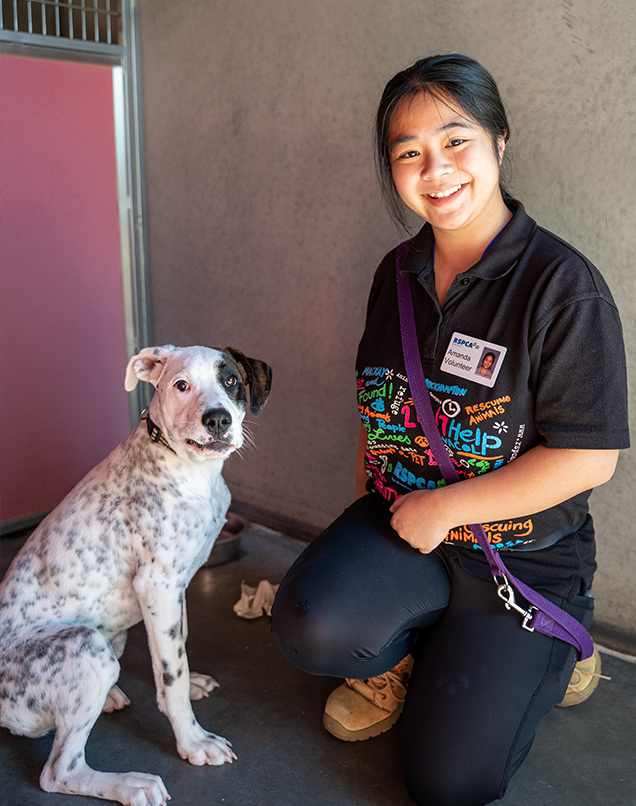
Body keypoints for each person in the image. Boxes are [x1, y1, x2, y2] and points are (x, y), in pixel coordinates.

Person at [270, 54, 629, 805]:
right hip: (409, 531)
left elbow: (589, 459)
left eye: (456, 140)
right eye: (409, 153)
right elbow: (385, 413)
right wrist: (369, 539)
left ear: (500, 140)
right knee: (310, 621)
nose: (435, 169)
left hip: (522, 557)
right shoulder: (395, 273)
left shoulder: (563, 287)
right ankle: (406, 655)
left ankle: (560, 645)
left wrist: (447, 507)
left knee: (448, 783)